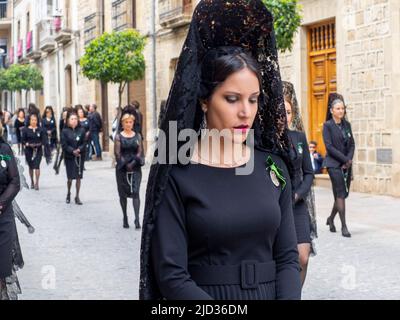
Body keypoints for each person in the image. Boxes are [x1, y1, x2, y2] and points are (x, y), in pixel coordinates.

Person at [140, 0, 301, 300]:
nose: (245, 112)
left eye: (253, 99)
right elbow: (172, 275)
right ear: (204, 101)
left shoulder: (272, 167)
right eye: (231, 99)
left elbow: (288, 259)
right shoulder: (177, 174)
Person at [283, 81, 315, 287]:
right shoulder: (267, 140)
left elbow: (309, 172)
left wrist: (298, 194)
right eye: (281, 111)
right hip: (276, 205)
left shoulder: (299, 137)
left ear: (292, 114)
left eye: (288, 112)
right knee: (283, 259)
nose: (285, 116)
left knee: (303, 257)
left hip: (298, 204)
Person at [323, 93, 355, 238]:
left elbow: (352, 144)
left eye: (342, 108)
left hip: (346, 164)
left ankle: (330, 219)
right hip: (333, 164)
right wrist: (344, 160)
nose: (341, 111)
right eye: (338, 108)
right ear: (332, 110)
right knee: (341, 193)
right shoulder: (327, 126)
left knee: (342, 195)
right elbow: (329, 147)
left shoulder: (347, 125)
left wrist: (349, 160)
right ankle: (344, 226)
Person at [0, 122, 21, 300]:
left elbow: (14, 181)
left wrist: (1, 203)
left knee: (2, 266)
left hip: (2, 213)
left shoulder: (4, 151)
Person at [114, 110, 145, 229]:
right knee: (123, 194)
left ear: (133, 123)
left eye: (130, 122)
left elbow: (140, 151)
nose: (128, 124)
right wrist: (125, 164)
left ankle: (137, 219)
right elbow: (117, 153)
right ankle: (125, 217)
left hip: (135, 167)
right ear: (122, 123)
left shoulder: (137, 136)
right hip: (122, 168)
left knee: (136, 192)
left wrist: (133, 162)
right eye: (126, 122)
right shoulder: (118, 136)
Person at [61, 111, 87, 205]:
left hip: (80, 156)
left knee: (78, 177)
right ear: (68, 120)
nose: (74, 121)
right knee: (70, 178)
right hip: (70, 157)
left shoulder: (82, 130)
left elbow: (84, 142)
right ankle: (68, 193)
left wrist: (79, 150)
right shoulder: (65, 131)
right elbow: (64, 144)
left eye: (76, 119)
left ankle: (77, 196)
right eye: (72, 119)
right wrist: (72, 151)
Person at [21, 114, 47, 190]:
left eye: (35, 120)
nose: (34, 121)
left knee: (37, 166)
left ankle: (37, 183)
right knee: (31, 166)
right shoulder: (25, 129)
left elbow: (44, 140)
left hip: (38, 150)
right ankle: (32, 181)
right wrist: (27, 144)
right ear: (29, 120)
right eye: (32, 120)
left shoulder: (41, 129)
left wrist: (39, 144)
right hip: (29, 150)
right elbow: (23, 140)